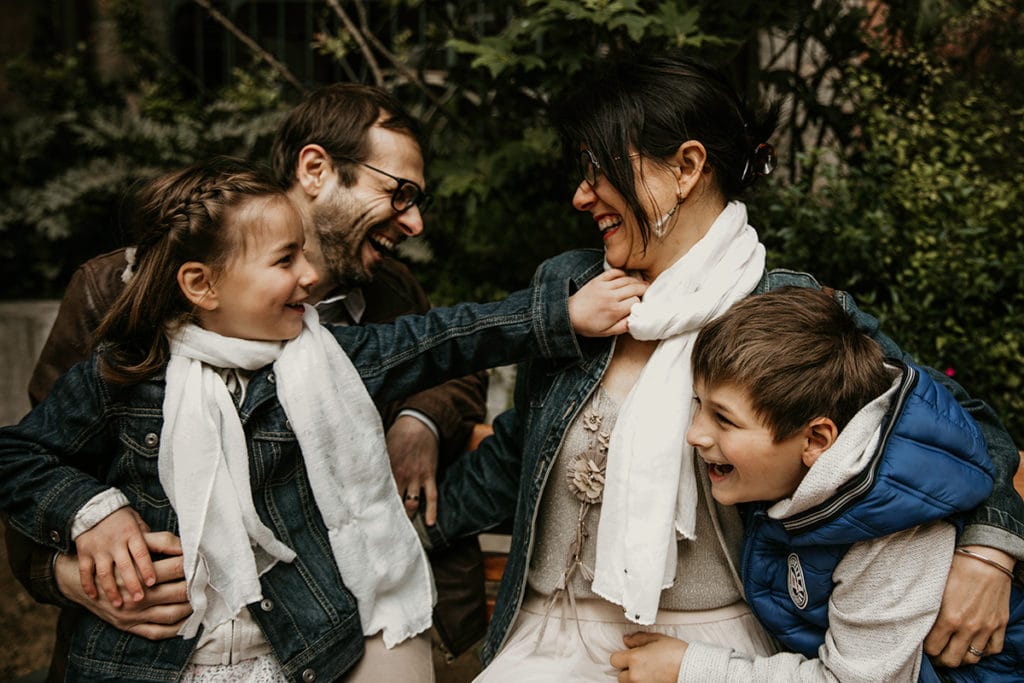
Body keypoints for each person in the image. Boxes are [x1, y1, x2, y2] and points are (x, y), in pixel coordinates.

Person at [422, 52, 1023, 681]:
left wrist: (990, 550)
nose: (581, 195)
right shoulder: (576, 292)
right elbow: (522, 450)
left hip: (714, 647)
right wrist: (414, 532)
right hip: (544, 636)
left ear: (685, 167)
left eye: (601, 170)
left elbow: (956, 433)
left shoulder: (786, 309)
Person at [0, 157, 644, 682]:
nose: (310, 275)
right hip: (145, 660)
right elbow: (18, 454)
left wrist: (559, 314)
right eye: (284, 261)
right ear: (202, 285)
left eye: (304, 253)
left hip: (289, 650)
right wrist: (92, 509)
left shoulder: (327, 359)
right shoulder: (123, 374)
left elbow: (444, 337)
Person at [7, 83, 492, 678]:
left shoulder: (389, 290)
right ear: (316, 168)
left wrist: (420, 421)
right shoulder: (119, 293)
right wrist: (77, 574)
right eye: (400, 193)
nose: (415, 222)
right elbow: (36, 468)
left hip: (338, 615)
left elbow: (450, 353)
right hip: (168, 631)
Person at [610, 286, 1024, 682]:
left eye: (724, 419)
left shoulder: (892, 532)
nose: (695, 434)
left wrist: (689, 670)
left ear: (815, 440)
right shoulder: (802, 474)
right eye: (698, 404)